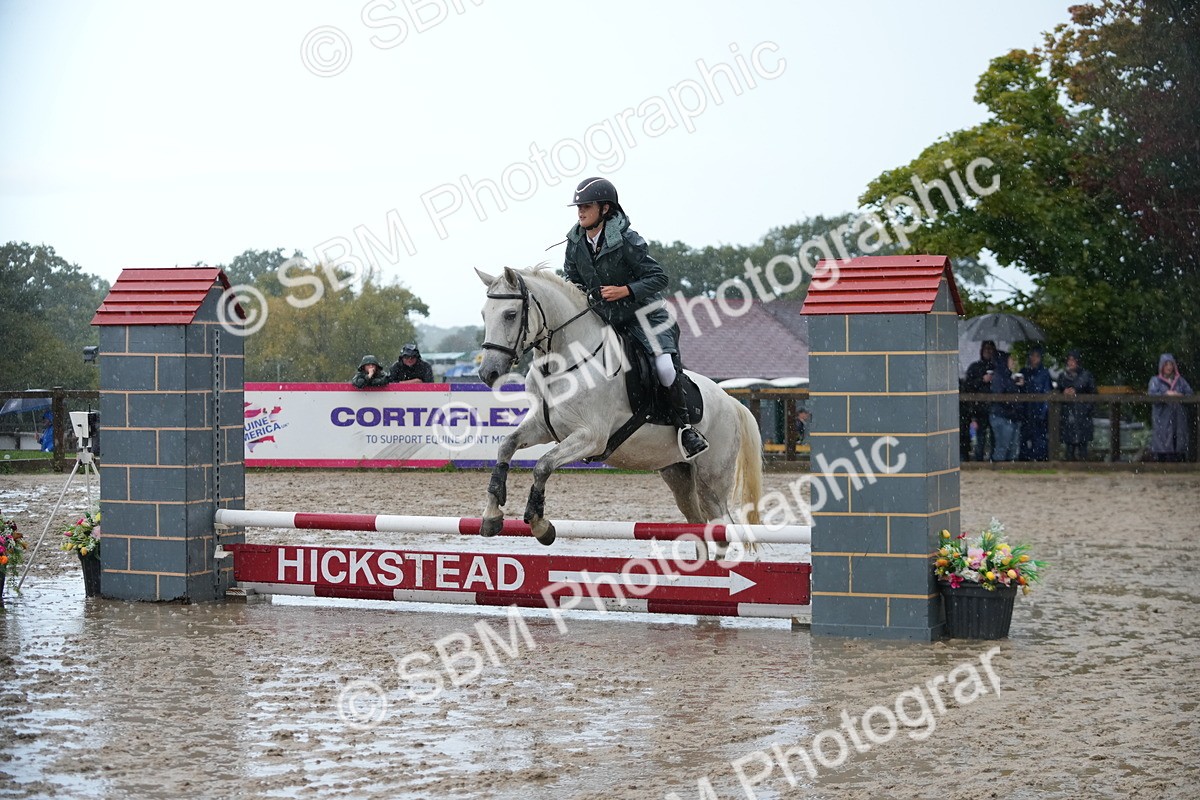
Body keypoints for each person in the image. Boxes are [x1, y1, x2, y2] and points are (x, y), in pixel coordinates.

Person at [563, 177, 707, 458]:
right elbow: (572, 278)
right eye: (578, 207)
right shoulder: (575, 243)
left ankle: (686, 428)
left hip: (645, 314)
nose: (580, 212)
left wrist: (625, 290)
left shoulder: (627, 239)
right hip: (607, 316)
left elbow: (658, 277)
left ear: (605, 209)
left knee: (664, 367)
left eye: (587, 206)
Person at [1148, 353, 1193, 462]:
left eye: (1171, 364)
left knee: (1178, 440)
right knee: (1162, 440)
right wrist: (1166, 394)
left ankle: (1179, 459)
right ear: (1161, 366)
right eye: (1166, 364)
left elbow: (1190, 394)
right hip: (1162, 418)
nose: (1169, 367)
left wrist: (1179, 395)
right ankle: (1162, 461)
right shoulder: (1155, 381)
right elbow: (1152, 395)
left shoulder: (1180, 381)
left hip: (1178, 417)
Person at [963, 340, 1000, 461]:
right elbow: (967, 385)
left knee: (996, 439)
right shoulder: (975, 367)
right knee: (980, 438)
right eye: (986, 349)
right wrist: (982, 380)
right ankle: (978, 463)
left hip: (996, 409)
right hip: (979, 410)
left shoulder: (999, 368)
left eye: (991, 349)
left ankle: (994, 463)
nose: (988, 352)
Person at [1057, 349, 1096, 461]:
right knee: (1069, 448)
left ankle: (1083, 469)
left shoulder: (1086, 376)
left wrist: (1086, 409)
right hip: (1068, 415)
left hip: (1083, 416)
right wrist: (1063, 393)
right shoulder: (1062, 376)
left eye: (1073, 360)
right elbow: (1057, 392)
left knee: (1083, 447)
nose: (1070, 362)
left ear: (1078, 361)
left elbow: (1093, 394)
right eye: (1069, 360)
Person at [1018, 345, 1052, 461]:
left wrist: (1043, 413)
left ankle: (1039, 461)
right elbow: (1017, 391)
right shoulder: (1023, 372)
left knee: (1040, 441)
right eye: (1032, 355)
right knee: (1023, 439)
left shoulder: (1044, 373)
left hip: (1038, 412)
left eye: (1037, 356)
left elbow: (1047, 393)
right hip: (1025, 412)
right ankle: (1024, 461)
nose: (1034, 358)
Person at [989, 352, 1023, 461]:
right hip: (1002, 416)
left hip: (1010, 416)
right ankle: (999, 470)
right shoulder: (999, 376)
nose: (1013, 362)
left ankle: (1007, 471)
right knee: (1003, 447)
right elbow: (999, 395)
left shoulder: (1007, 376)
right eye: (1010, 359)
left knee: (1011, 448)